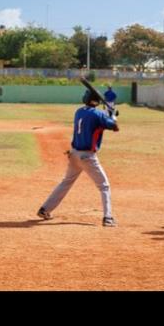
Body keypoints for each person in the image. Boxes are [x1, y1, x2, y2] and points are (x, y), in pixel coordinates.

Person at [37, 89, 120, 227]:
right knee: (104, 186)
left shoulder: (79, 111)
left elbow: (98, 121)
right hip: (88, 157)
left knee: (66, 182)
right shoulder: (98, 114)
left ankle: (45, 209)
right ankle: (108, 218)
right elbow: (115, 127)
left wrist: (108, 115)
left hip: (74, 154)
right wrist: (112, 116)